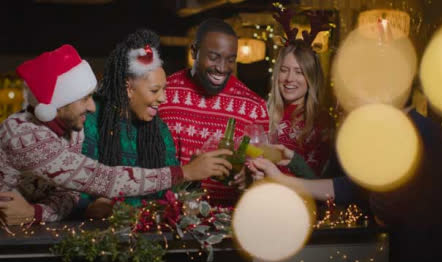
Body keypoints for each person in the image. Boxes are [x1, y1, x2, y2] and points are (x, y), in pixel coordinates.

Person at [0, 44, 232, 225]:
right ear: (57, 105)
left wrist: (37, 213)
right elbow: (106, 180)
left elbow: (68, 194)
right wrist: (184, 172)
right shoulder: (24, 136)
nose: (91, 107)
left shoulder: (72, 131)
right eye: (84, 99)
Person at [158, 18, 269, 206]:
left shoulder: (254, 107)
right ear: (194, 52)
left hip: (230, 226)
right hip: (170, 222)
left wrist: (248, 179)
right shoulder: (162, 95)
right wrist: (187, 171)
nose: (222, 68)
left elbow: (264, 176)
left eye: (230, 60)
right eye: (214, 57)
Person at [78, 29, 185, 217]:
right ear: (128, 88)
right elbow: (72, 185)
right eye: (154, 90)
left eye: (164, 89)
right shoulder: (90, 119)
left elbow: (171, 190)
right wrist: (89, 206)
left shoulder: (159, 130)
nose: (163, 98)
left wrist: (193, 175)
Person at [268, 39, 332, 177]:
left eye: (299, 72)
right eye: (284, 70)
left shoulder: (321, 121)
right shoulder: (263, 112)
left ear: (311, 78)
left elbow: (319, 182)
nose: (290, 78)